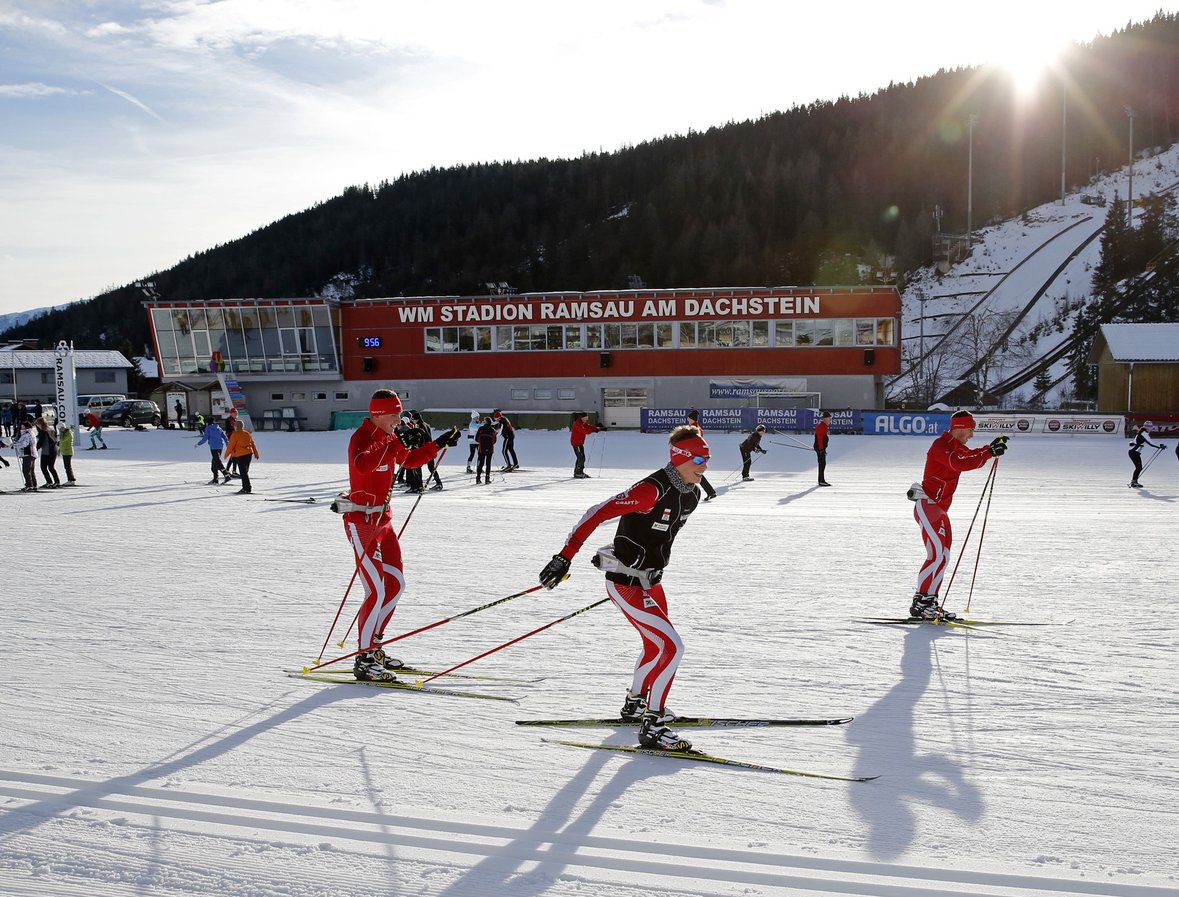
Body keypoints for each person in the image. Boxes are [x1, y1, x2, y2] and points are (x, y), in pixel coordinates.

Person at [538, 425, 711, 752]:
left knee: (655, 645)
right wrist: (564, 557)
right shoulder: (650, 490)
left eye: (708, 459)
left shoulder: (692, 494)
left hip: (651, 581)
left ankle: (636, 704)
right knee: (672, 647)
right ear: (680, 458)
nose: (705, 466)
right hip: (625, 583)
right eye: (699, 459)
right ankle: (653, 725)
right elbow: (597, 513)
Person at [338, 389, 460, 680]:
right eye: (394, 414)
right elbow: (362, 465)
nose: (398, 419)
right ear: (379, 414)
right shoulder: (362, 438)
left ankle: (375, 648)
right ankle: (363, 659)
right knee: (375, 590)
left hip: (384, 522)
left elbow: (409, 460)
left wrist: (438, 444)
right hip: (362, 522)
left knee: (395, 585)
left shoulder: (390, 436)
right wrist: (393, 442)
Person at [908, 410, 1008, 620]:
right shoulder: (940, 446)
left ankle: (930, 602)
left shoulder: (957, 447)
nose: (972, 434)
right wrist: (988, 453)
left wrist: (989, 449)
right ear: (961, 428)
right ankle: (920, 602)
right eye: (970, 430)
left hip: (940, 509)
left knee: (943, 556)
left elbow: (969, 456)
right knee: (935, 555)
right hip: (927, 505)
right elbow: (959, 463)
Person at [685, 410, 718, 500]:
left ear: (692, 419)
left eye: (689, 417)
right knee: (694, 472)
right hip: (697, 454)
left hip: (695, 454)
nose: (687, 419)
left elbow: (693, 441)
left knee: (690, 472)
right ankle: (710, 492)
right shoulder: (695, 427)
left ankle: (688, 495)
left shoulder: (694, 428)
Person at [222, 419, 260, 494]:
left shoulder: (235, 434)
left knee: (243, 473)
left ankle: (246, 488)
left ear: (236, 427)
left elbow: (231, 445)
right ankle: (246, 487)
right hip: (249, 454)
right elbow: (252, 444)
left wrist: (226, 454)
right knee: (245, 472)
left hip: (241, 455)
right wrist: (256, 453)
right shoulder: (247, 433)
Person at [1128, 421, 1165, 488]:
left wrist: (1132, 443)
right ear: (1147, 428)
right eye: (1150, 427)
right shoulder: (1144, 433)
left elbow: (1133, 442)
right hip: (1134, 452)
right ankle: (1134, 482)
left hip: (1135, 452)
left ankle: (1134, 482)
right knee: (1138, 467)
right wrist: (1159, 446)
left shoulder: (1142, 432)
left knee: (1139, 467)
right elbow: (1150, 443)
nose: (1151, 429)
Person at [570, 411, 606, 478]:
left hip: (580, 443)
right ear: (582, 418)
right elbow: (584, 431)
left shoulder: (583, 423)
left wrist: (599, 428)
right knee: (581, 458)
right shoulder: (577, 424)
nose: (586, 419)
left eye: (587, 417)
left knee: (581, 458)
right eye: (585, 418)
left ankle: (579, 472)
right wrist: (593, 431)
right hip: (576, 443)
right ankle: (578, 473)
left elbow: (589, 427)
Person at [196, 418, 230, 484]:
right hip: (220, 446)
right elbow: (224, 436)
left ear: (207, 423)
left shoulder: (208, 428)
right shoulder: (218, 428)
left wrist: (198, 444)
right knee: (214, 463)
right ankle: (215, 479)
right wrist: (227, 443)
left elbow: (205, 439)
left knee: (217, 461)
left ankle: (226, 475)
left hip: (214, 447)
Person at [35, 417, 61, 489]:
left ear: (40, 424)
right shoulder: (51, 429)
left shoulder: (43, 431)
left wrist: (36, 448)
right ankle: (57, 481)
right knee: (51, 467)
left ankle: (49, 481)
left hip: (47, 451)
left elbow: (40, 442)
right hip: (54, 449)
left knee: (43, 467)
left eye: (37, 424)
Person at [13, 420, 37, 491]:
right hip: (31, 454)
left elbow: (25, 444)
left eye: (23, 427)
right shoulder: (29, 433)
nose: (21, 428)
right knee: (30, 470)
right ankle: (33, 484)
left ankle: (29, 485)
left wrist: (15, 445)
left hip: (28, 454)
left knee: (26, 470)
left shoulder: (27, 434)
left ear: (26, 427)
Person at [475, 416, 497, 484]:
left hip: (481, 448)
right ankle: (487, 479)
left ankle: (478, 478)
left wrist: (482, 442)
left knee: (481, 463)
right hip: (490, 449)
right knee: (488, 464)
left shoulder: (481, 429)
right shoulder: (493, 430)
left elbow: (476, 439)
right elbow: (494, 441)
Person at [814, 410, 833, 486]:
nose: (830, 420)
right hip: (820, 447)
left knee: (822, 463)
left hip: (821, 447)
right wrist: (821, 449)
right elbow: (820, 438)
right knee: (822, 464)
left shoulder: (824, 426)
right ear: (825, 419)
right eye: (829, 419)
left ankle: (821, 480)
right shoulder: (821, 426)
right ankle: (821, 480)